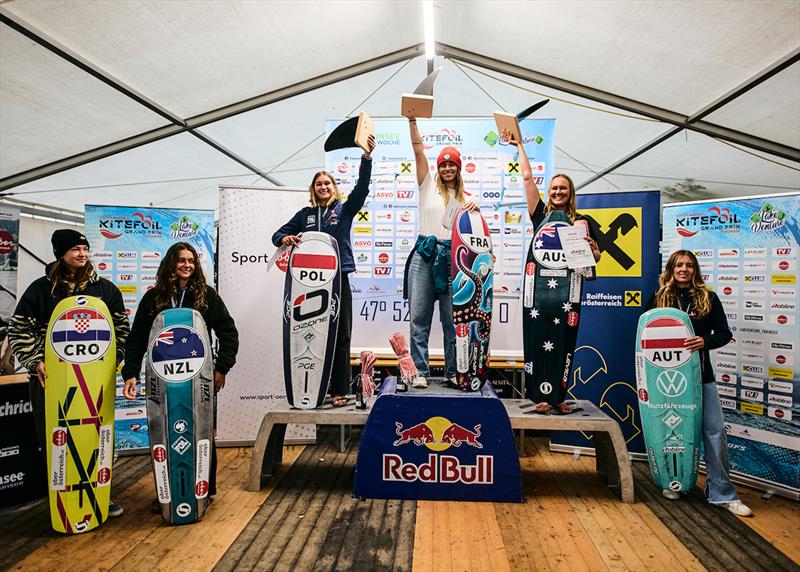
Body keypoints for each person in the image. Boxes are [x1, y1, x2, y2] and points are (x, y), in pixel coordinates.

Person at [8, 229, 129, 517]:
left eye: (85, 248)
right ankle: (61, 499)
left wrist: (116, 359)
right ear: (60, 254)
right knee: (57, 440)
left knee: (97, 438)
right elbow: (19, 328)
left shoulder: (105, 289)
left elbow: (121, 330)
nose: (82, 254)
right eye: (75, 249)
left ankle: (100, 495)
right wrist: (36, 360)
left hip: (95, 381)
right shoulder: (40, 289)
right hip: (52, 380)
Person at [122, 241, 238, 511]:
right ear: (170, 263)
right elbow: (137, 338)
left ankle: (202, 489)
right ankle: (169, 490)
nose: (186, 265)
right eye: (181, 260)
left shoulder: (206, 295)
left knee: (201, 431)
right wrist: (130, 373)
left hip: (199, 377)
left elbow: (228, 332)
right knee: (164, 432)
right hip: (162, 378)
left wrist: (221, 368)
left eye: (191, 260)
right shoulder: (154, 298)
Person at [272, 134, 375, 407]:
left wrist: (366, 158)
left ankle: (339, 390)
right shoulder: (304, 215)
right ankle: (313, 389)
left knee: (341, 335)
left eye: (327, 183)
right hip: (307, 285)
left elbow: (362, 190)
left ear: (334, 187)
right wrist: (286, 239)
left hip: (338, 280)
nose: (323, 186)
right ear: (313, 189)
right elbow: (278, 234)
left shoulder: (344, 210)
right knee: (310, 336)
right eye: (318, 184)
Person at [647, 250, 752, 516]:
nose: (684, 269)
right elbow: (645, 335)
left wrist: (705, 341)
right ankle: (676, 482)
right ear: (671, 269)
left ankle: (722, 494)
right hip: (667, 381)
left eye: (689, 265)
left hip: (701, 378)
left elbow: (725, 334)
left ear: (695, 270)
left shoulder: (708, 298)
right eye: (679, 265)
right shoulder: (659, 298)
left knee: (715, 433)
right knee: (672, 434)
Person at [513, 136, 601, 413]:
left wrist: (594, 249)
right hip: (539, 296)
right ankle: (539, 396)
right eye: (554, 188)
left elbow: (595, 259)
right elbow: (527, 179)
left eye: (563, 188)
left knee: (565, 344)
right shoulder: (540, 215)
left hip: (568, 296)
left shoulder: (582, 222)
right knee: (537, 342)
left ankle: (559, 398)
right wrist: (518, 146)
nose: (558, 192)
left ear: (570, 192)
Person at [404, 118, 478, 389]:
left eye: (452, 164)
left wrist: (476, 211)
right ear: (439, 167)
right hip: (425, 255)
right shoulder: (427, 186)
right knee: (419, 317)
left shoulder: (469, 198)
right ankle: (419, 372)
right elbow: (418, 150)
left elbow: (478, 237)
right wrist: (412, 120)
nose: (447, 168)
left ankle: (453, 371)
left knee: (452, 320)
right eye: (444, 164)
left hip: (455, 261)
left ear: (458, 168)